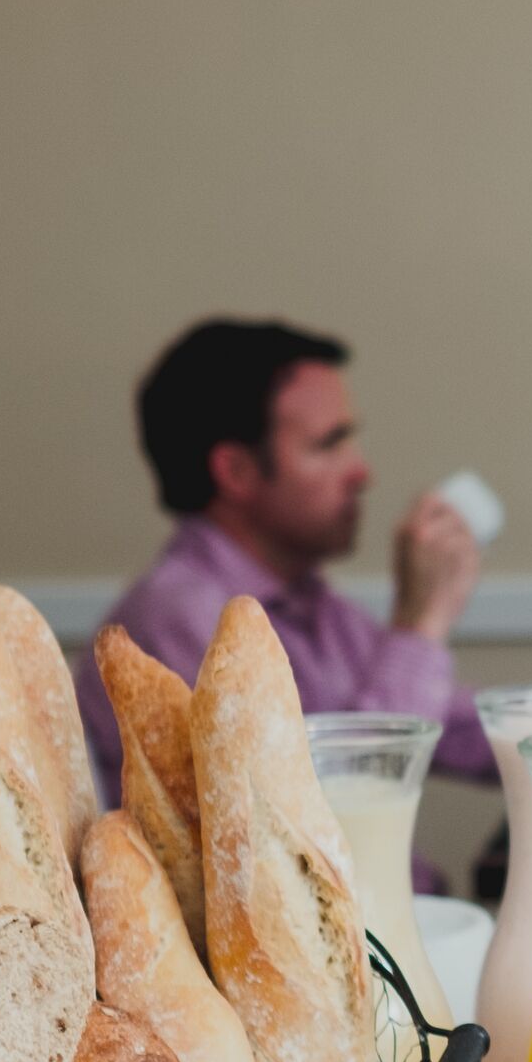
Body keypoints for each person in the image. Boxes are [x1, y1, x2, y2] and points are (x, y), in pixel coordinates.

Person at [79, 318, 492, 788]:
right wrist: (420, 624)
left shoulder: (311, 602)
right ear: (236, 472)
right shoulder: (177, 618)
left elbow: (455, 727)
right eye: (329, 444)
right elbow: (315, 816)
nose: (361, 472)